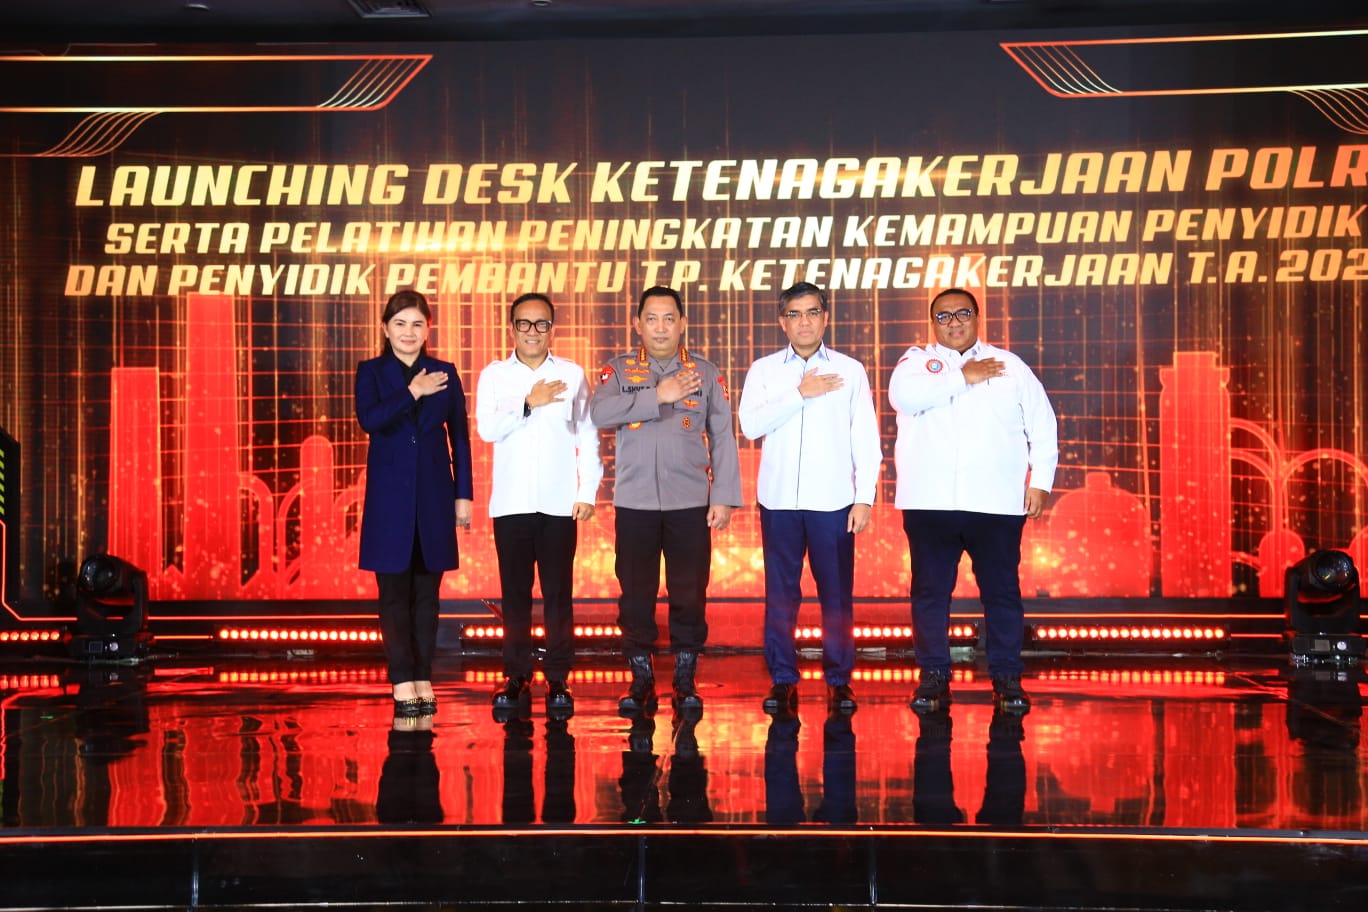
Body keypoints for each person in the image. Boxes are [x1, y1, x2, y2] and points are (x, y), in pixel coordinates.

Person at [889, 288, 1057, 715]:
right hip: (929, 504)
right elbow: (904, 399)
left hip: (996, 504)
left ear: (977, 317)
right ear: (933, 324)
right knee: (930, 595)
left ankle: (1006, 677)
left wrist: (1040, 481)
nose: (954, 322)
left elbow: (1043, 425)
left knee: (1001, 594)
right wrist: (964, 376)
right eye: (943, 316)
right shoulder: (915, 364)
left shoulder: (1010, 366)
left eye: (962, 313)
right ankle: (933, 676)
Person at [590, 285, 742, 720]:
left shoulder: (705, 372)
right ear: (637, 324)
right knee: (635, 594)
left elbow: (723, 436)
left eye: (669, 318)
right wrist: (657, 395)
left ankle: (685, 679)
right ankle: (640, 680)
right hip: (635, 503)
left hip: (689, 502)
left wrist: (724, 497)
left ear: (682, 323)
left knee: (690, 593)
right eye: (651, 319)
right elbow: (599, 414)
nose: (660, 327)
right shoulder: (618, 370)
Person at [739, 282, 882, 717]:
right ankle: (783, 677)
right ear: (782, 322)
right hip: (779, 501)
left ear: (825, 318)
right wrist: (800, 393)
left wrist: (864, 498)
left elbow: (866, 438)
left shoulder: (850, 370)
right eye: (795, 314)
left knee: (836, 596)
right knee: (781, 595)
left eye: (812, 312)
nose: (804, 321)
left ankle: (839, 680)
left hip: (833, 502)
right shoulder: (764, 370)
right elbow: (750, 426)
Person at [476, 292, 601, 722]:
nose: (533, 332)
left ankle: (559, 677)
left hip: (559, 503)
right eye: (524, 324)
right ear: (512, 328)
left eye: (541, 324)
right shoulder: (494, 375)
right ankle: (516, 675)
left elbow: (588, 436)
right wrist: (528, 403)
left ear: (552, 328)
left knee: (558, 596)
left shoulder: (572, 373)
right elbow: (487, 429)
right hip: (511, 504)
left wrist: (588, 491)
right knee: (515, 597)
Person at [356, 289, 473, 718]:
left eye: (417, 324)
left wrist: (463, 495)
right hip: (389, 501)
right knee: (393, 596)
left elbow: (459, 438)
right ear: (386, 329)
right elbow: (370, 420)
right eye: (400, 323)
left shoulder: (446, 372)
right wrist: (412, 391)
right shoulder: (371, 372)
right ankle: (402, 679)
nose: (409, 332)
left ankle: (423, 677)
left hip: (434, 497)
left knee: (427, 596)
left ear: (428, 329)